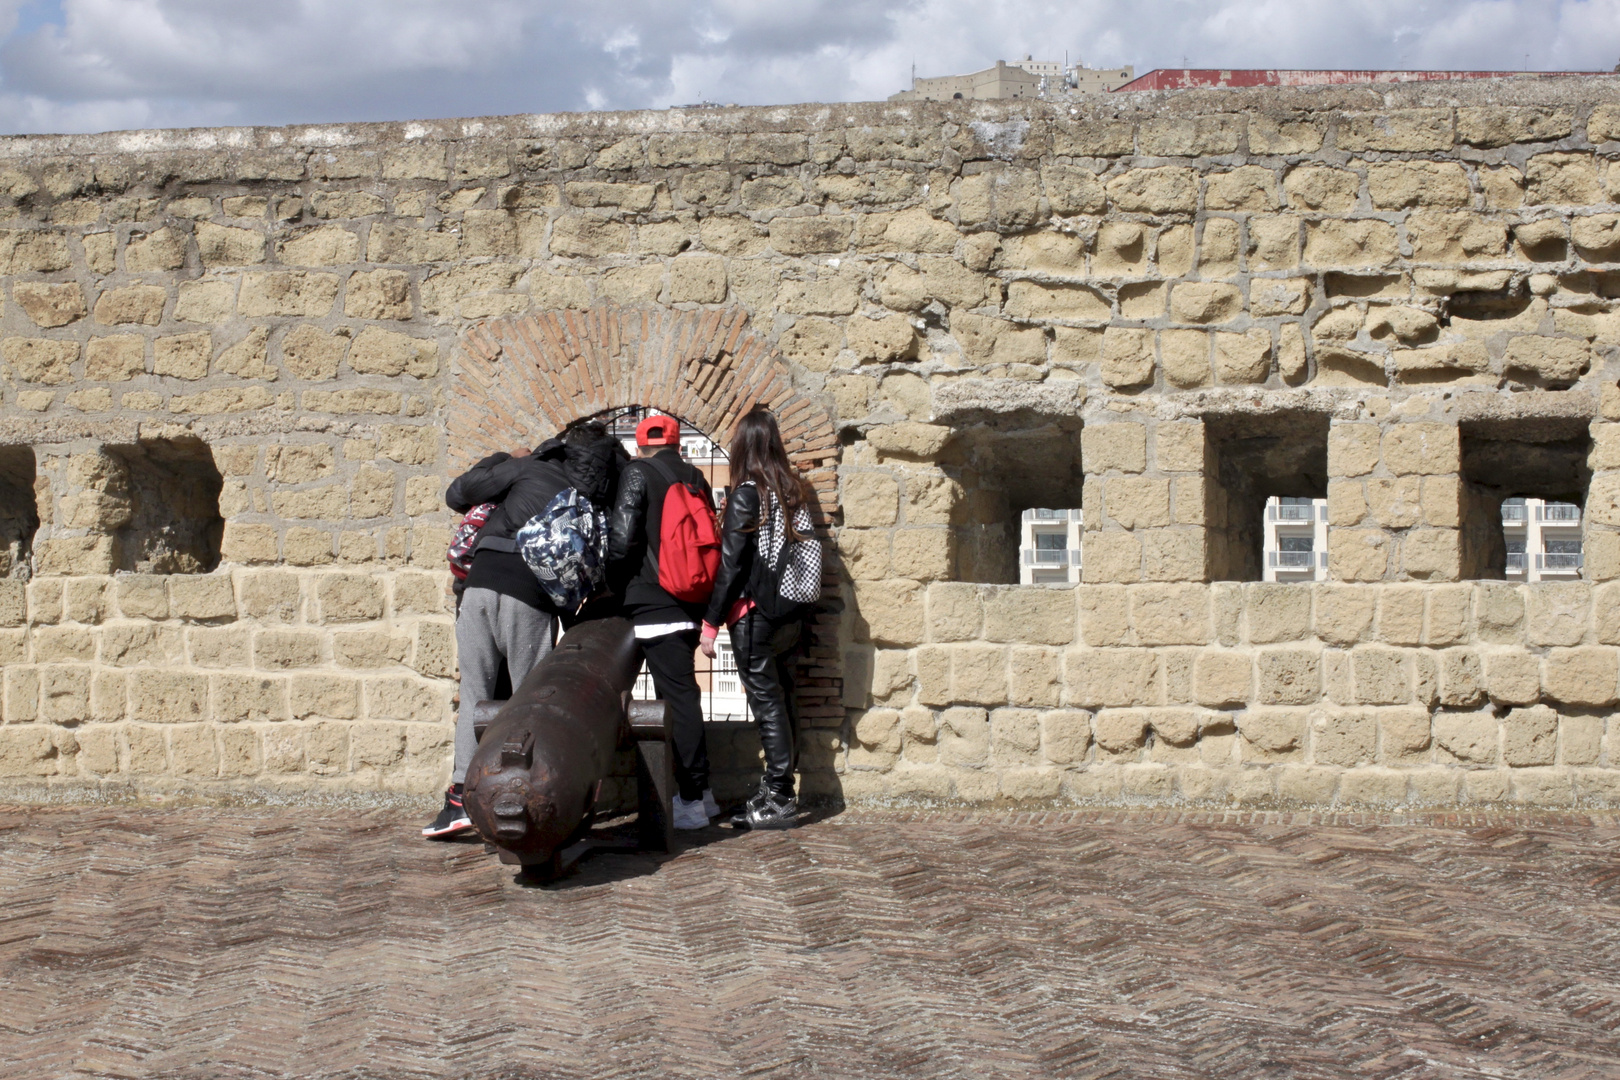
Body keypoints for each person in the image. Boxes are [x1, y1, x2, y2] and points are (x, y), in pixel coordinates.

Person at [424, 421, 624, 839]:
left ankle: (459, 798)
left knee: (476, 693)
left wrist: (503, 460)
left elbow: (457, 493)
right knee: (530, 700)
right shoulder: (594, 497)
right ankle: (527, 796)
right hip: (530, 598)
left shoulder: (531, 469)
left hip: (480, 583)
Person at [700, 407, 817, 831]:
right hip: (791, 611)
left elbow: (731, 564)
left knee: (767, 706)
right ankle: (777, 789)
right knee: (783, 700)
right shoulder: (791, 491)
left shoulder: (748, 493)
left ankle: (780, 797)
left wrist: (711, 622)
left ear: (741, 447)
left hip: (754, 614)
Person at [609, 414, 721, 831]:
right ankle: (703, 794)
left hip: (654, 602)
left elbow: (623, 540)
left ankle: (691, 799)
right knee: (679, 695)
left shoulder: (637, 473)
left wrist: (611, 584)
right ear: (676, 444)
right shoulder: (695, 476)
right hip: (691, 599)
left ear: (640, 446)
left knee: (678, 699)